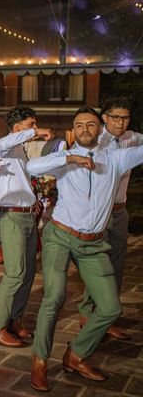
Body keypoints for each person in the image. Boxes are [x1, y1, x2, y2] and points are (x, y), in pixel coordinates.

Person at [27, 106, 143, 392]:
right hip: (61, 236)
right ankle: (40, 361)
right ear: (73, 129)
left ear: (100, 128)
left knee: (110, 307)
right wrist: (71, 157)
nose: (85, 130)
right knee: (54, 298)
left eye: (91, 125)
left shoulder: (116, 158)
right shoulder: (62, 157)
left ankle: (76, 354)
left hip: (93, 243)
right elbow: (31, 167)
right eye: (79, 125)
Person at [0, 107, 53, 347]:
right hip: (11, 217)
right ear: (17, 128)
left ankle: (14, 319)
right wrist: (36, 132)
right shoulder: (3, 146)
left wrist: (33, 200)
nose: (35, 128)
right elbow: (7, 140)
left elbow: (22, 180)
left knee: (28, 273)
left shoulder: (21, 151)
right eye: (30, 124)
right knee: (14, 273)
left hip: (26, 214)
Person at [77, 98, 142, 341]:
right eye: (116, 117)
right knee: (97, 266)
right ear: (104, 117)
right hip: (98, 212)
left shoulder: (132, 138)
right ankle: (88, 313)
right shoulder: (94, 139)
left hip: (120, 210)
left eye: (125, 118)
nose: (121, 122)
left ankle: (107, 316)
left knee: (117, 265)